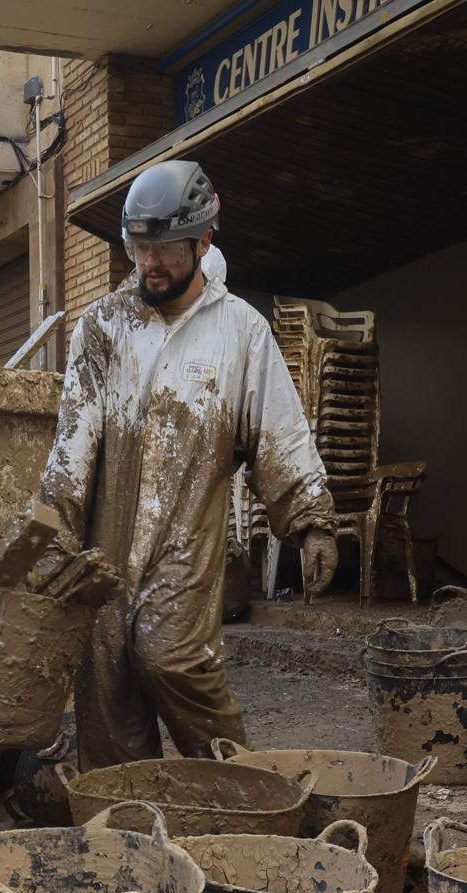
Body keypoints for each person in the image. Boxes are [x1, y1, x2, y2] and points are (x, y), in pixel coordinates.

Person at [41, 161, 338, 767]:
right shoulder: (103, 326)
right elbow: (74, 441)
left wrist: (310, 520)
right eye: (138, 248)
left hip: (186, 539)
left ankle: (241, 796)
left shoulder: (240, 333)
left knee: (169, 656)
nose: (149, 264)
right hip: (104, 542)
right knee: (108, 690)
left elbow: (279, 430)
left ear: (204, 241)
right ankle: (124, 837)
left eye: (166, 250)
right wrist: (54, 527)